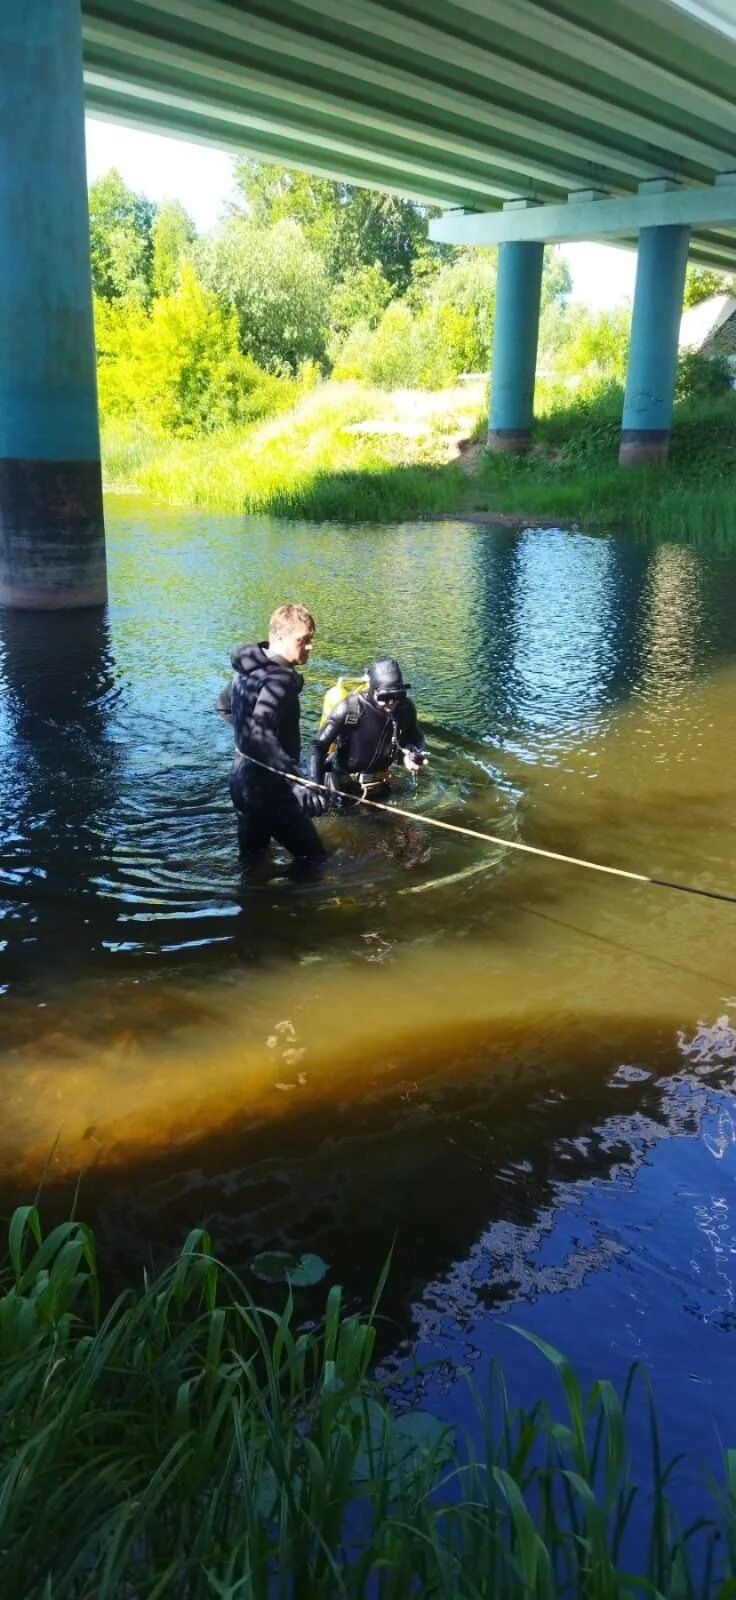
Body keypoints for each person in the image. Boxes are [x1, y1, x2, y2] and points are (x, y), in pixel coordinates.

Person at [220, 603, 327, 861]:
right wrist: (297, 782)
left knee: (253, 863)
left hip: (241, 782)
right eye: (302, 640)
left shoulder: (247, 671)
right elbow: (260, 731)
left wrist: (247, 741)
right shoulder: (281, 678)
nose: (310, 647)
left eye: (311, 639)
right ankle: (298, 902)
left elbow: (223, 706)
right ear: (279, 637)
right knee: (315, 861)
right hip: (271, 790)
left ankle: (253, 901)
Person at [308, 656, 427, 800]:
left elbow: (415, 737)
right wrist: (315, 787)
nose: (391, 702)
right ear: (372, 690)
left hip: (379, 784)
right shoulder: (349, 708)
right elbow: (317, 746)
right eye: (384, 697)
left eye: (397, 695)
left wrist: (413, 754)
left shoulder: (405, 708)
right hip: (342, 786)